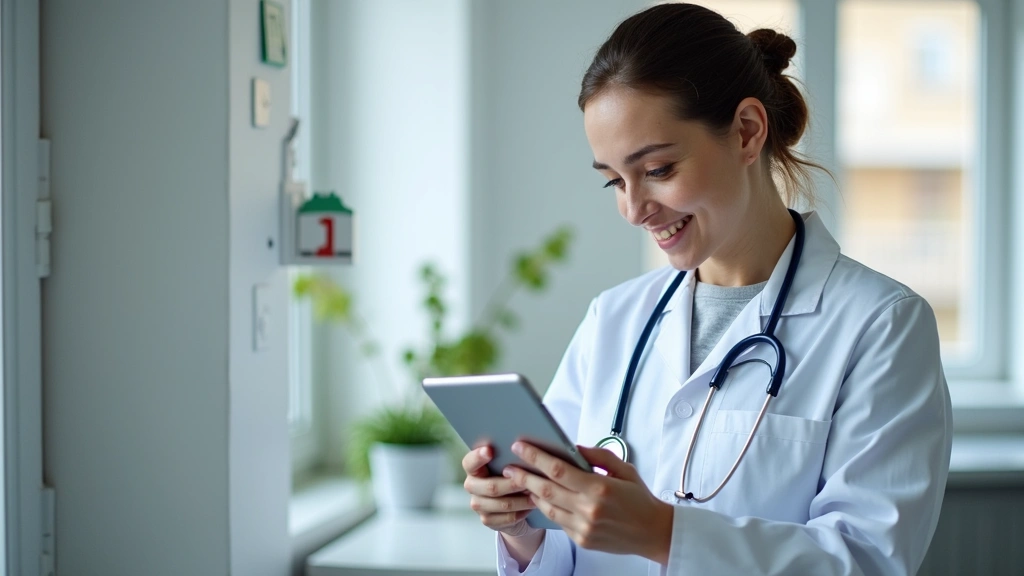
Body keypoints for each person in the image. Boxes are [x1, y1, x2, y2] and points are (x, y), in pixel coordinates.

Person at [461, 3, 952, 575]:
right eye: (614, 181)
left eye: (659, 170)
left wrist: (665, 534)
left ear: (747, 132)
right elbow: (566, 548)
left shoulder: (881, 325)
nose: (634, 208)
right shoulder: (614, 318)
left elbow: (869, 562)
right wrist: (524, 528)